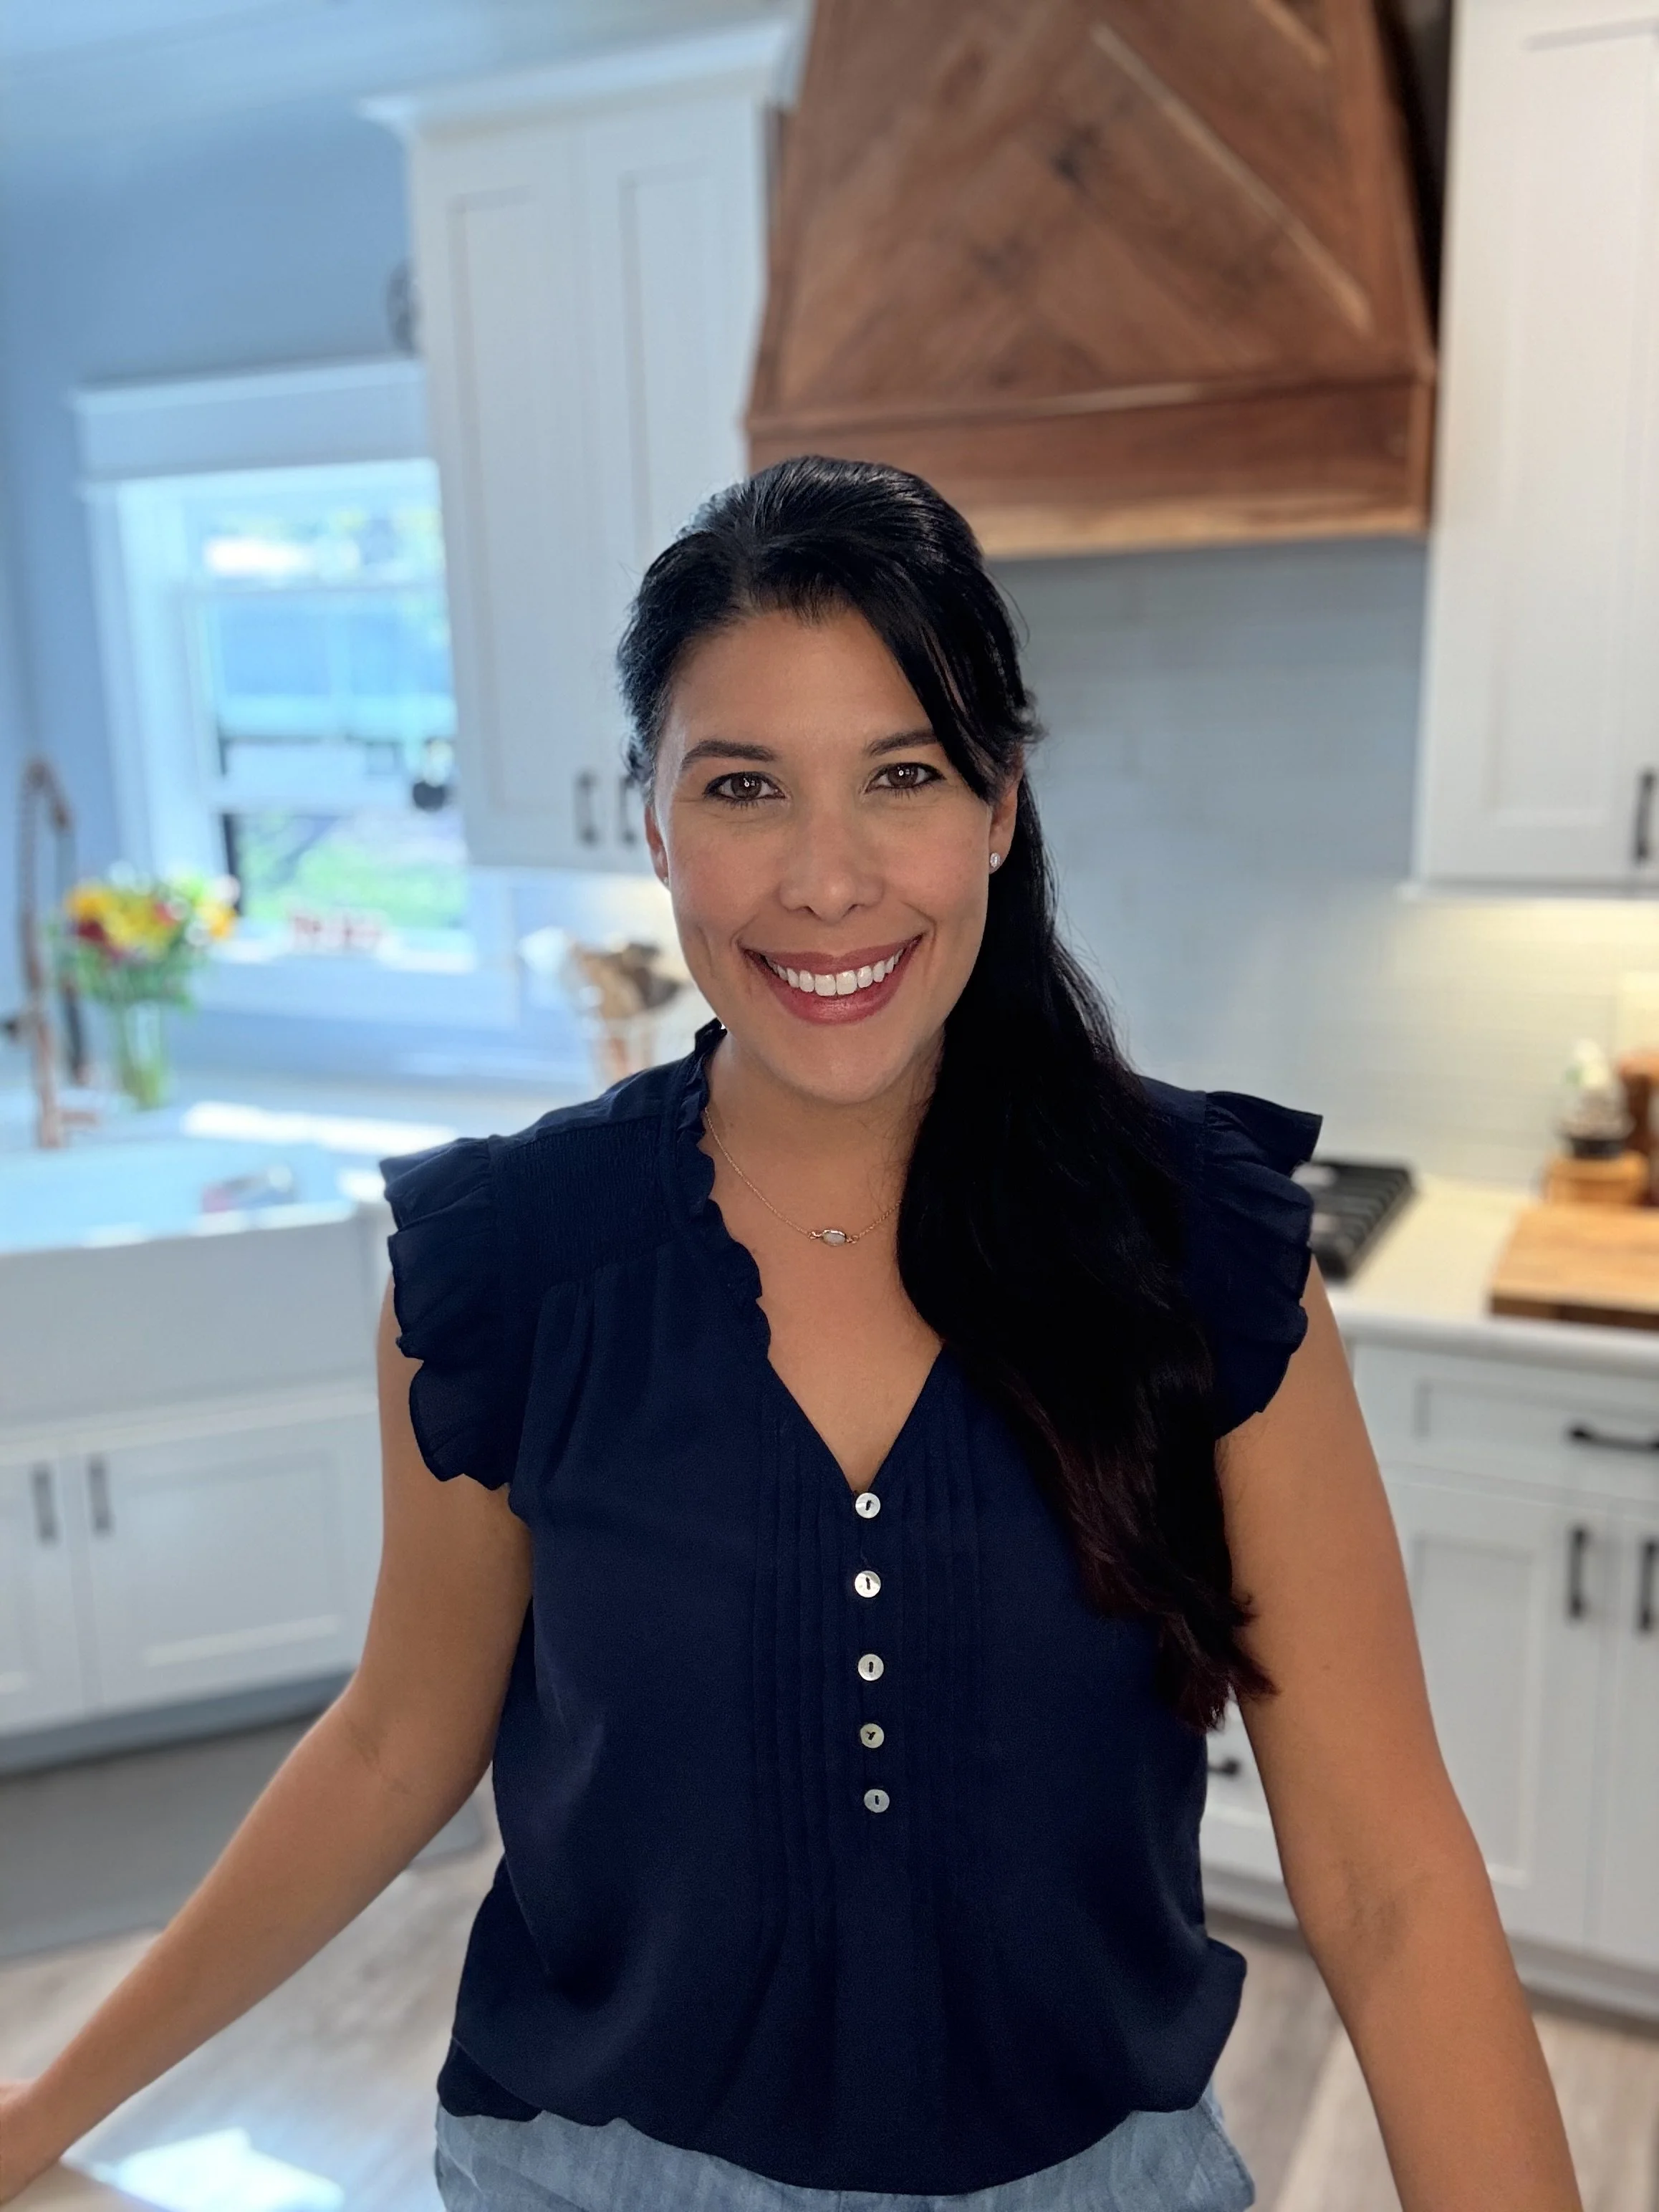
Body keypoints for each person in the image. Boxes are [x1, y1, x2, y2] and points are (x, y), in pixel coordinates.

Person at [0, 457, 1580, 2212]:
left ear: (999, 804)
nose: (828, 881)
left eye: (902, 775)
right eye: (744, 785)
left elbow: (1385, 1874)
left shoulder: (1203, 1251)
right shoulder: (508, 1269)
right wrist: (41, 2104)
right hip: (585, 2178)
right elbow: (392, 1741)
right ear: (654, 821)